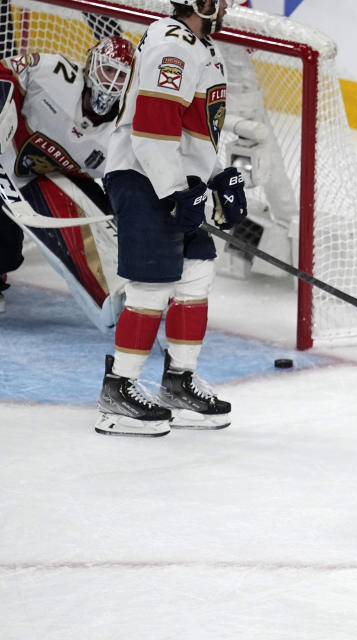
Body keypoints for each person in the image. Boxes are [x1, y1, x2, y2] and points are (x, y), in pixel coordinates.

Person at [95, 0, 247, 438]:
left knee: (196, 273)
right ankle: (118, 391)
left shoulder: (202, 47)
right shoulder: (173, 44)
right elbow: (153, 128)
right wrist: (178, 190)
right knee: (153, 284)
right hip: (144, 175)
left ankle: (178, 384)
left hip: (173, 177)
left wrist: (219, 177)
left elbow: (191, 131)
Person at [0, 36, 134, 323]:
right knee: (4, 248)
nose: (112, 83)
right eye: (108, 70)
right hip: (6, 157)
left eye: (122, 76)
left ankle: (136, 287)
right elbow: (5, 71)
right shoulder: (53, 73)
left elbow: (126, 188)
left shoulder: (123, 132)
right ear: (91, 65)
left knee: (109, 221)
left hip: (56, 178)